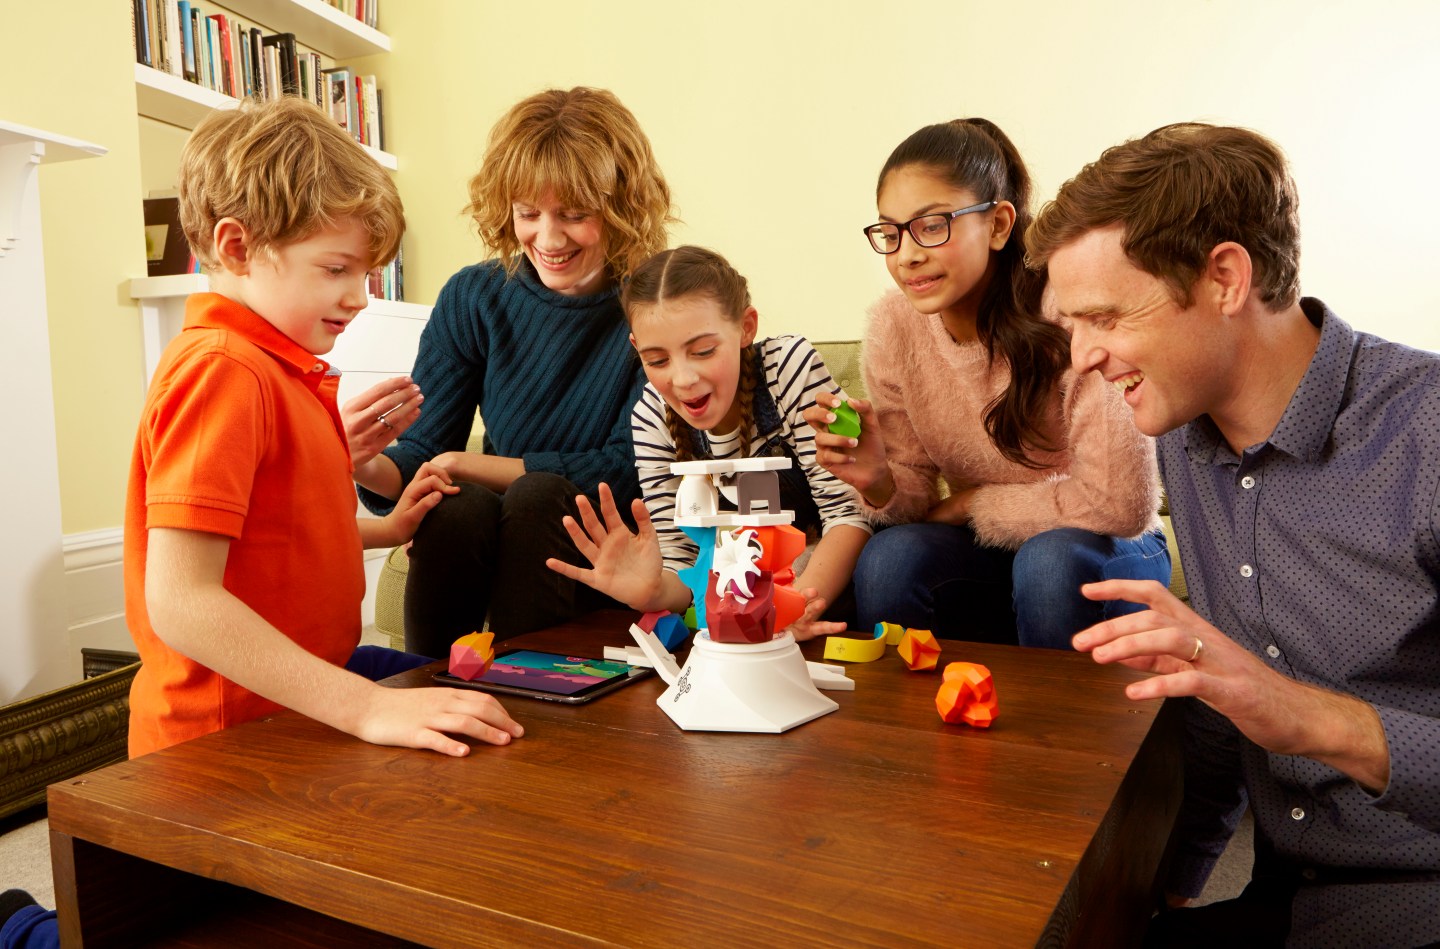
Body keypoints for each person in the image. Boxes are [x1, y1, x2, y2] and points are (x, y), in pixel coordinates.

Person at [1026, 122, 1440, 947]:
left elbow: (1264, 699)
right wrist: (1170, 888)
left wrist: (1307, 716)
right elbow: (1222, 701)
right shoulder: (1185, 438)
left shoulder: (1425, 430)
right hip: (1289, 898)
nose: (1081, 357)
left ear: (1224, 278)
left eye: (1104, 315)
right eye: (1072, 324)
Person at [124, 96, 523, 761]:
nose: (359, 296)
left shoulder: (280, 372)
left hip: (297, 698)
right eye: (337, 269)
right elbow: (181, 599)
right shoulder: (224, 371)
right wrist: (365, 706)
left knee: (473, 704)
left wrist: (388, 530)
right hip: (224, 741)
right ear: (237, 247)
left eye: (365, 274)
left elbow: (277, 536)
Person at [805, 118, 1169, 648]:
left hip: (1102, 547)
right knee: (889, 558)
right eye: (890, 233)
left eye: (932, 225)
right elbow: (916, 502)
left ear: (998, 224)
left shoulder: (1068, 309)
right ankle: (923, 704)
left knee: (1049, 563)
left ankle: (1056, 709)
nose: (906, 255)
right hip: (990, 552)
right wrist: (879, 479)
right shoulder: (894, 326)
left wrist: (974, 504)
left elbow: (1120, 505)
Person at [345, 87, 674, 657]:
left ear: (621, 207)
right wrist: (362, 461)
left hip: (609, 551)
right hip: (503, 531)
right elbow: (427, 454)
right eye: (528, 214)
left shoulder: (656, 305)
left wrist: (470, 464)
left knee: (537, 495)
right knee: (456, 503)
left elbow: (630, 468)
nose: (549, 239)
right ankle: (428, 684)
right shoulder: (474, 298)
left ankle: (534, 688)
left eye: (574, 214)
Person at [544, 245, 871, 638]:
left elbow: (847, 514)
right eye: (657, 361)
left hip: (822, 587)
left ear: (746, 327)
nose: (683, 379)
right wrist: (651, 590)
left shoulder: (788, 368)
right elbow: (682, 564)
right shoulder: (650, 416)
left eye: (703, 351)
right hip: (741, 608)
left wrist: (789, 606)